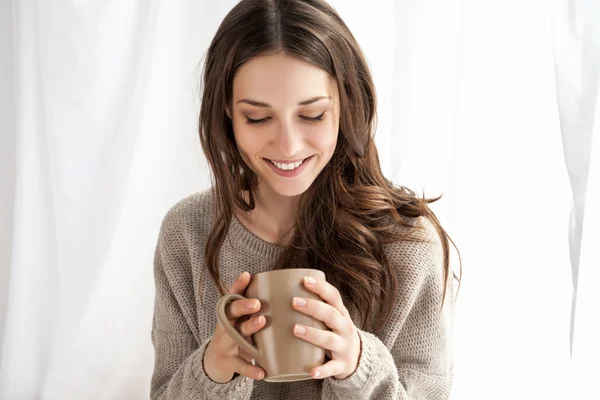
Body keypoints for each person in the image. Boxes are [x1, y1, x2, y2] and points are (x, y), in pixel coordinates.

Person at [150, 0, 461, 398]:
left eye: (312, 115)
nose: (288, 145)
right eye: (258, 118)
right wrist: (212, 372)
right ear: (226, 110)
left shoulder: (408, 244)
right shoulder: (188, 232)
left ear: (347, 103)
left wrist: (358, 366)